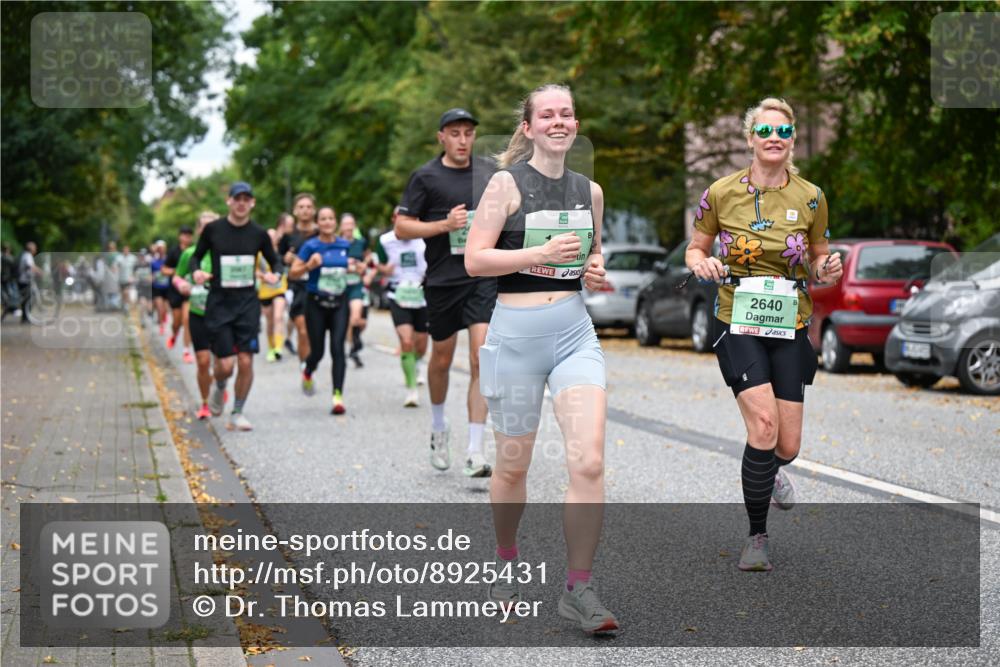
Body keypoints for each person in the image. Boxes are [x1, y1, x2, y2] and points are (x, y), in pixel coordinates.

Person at [465, 84, 617, 634]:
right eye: (547, 114)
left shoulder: (590, 191)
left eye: (567, 113)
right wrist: (536, 253)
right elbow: (475, 258)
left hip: (575, 333)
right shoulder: (506, 183)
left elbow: (589, 259)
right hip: (517, 339)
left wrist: (594, 273)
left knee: (589, 463)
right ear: (528, 128)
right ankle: (506, 562)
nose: (559, 121)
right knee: (512, 465)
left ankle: (579, 588)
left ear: (575, 124)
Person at [685, 97, 842, 572]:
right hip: (736, 318)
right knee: (764, 427)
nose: (775, 138)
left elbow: (819, 257)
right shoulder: (720, 192)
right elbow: (695, 249)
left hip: (789, 320)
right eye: (766, 131)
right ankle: (757, 537)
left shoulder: (811, 196)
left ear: (792, 139)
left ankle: (769, 472)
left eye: (785, 131)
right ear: (750, 138)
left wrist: (827, 268)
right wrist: (704, 263)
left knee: (787, 446)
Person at [395, 107, 496, 478]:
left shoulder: (489, 173)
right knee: (440, 359)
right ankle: (439, 427)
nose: (463, 140)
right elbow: (402, 227)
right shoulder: (425, 177)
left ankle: (475, 449)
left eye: (468, 133)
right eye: (454, 133)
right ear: (441, 137)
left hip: (481, 278)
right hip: (442, 280)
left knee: (481, 359)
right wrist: (444, 225)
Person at [190, 182, 281, 431]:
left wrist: (276, 275)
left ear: (252, 203)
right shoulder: (213, 230)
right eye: (237, 198)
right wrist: (196, 271)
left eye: (246, 199)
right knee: (224, 365)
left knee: (246, 361)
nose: (241, 203)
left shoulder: (259, 234)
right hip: (219, 303)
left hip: (247, 304)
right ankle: (220, 387)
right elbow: (196, 256)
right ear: (229, 201)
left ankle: (238, 411)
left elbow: (275, 261)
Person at [289, 206, 351, 414]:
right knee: (317, 351)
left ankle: (337, 397)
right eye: (323, 219)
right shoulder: (310, 246)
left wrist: (355, 268)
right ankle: (308, 370)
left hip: (340, 303)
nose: (327, 222)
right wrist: (308, 266)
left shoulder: (344, 244)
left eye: (330, 218)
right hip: (315, 303)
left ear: (335, 223)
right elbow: (293, 273)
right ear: (318, 223)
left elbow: (348, 267)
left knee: (338, 348)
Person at [377, 206, 430, 407]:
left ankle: (417, 364)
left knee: (422, 345)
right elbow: (378, 266)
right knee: (407, 341)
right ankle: (411, 390)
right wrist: (384, 269)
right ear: (394, 219)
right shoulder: (384, 241)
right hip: (397, 295)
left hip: (422, 295)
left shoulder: (424, 237)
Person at [172, 214, 221, 419]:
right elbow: (176, 276)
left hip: (222, 315)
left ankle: (221, 385)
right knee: (202, 361)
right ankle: (204, 403)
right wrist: (182, 284)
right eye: (205, 227)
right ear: (199, 231)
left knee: (222, 364)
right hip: (198, 313)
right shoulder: (190, 253)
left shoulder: (224, 252)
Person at [278, 194, 318, 367]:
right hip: (297, 287)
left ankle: (309, 363)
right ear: (295, 211)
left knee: (312, 332)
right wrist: (284, 259)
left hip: (319, 286)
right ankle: (305, 367)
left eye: (308, 207)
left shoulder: (321, 233)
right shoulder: (288, 236)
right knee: (303, 330)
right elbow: (276, 259)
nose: (305, 210)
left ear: (314, 210)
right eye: (301, 207)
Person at [259, 213, 291, 362]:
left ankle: (278, 348)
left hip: (279, 289)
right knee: (270, 321)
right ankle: (271, 348)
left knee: (279, 317)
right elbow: (254, 270)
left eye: (274, 236)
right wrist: (263, 276)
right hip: (265, 291)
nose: (272, 238)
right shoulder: (259, 254)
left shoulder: (281, 252)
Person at [339, 213, 369, 368]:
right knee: (344, 322)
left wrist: (363, 267)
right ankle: (351, 347)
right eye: (346, 224)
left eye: (351, 224)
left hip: (356, 285)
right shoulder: (337, 243)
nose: (349, 227)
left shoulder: (361, 242)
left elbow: (367, 260)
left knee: (356, 318)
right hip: (340, 286)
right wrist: (348, 265)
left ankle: (353, 347)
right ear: (341, 226)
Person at [162, 226, 195, 361]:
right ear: (179, 236)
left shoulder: (195, 250)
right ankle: (174, 335)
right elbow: (164, 269)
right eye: (184, 235)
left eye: (189, 235)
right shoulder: (173, 251)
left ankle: (186, 351)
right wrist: (175, 272)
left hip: (189, 290)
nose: (186, 238)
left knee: (187, 320)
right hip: (175, 290)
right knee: (177, 322)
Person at [17, 241, 41, 323]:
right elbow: (30, 266)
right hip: (25, 281)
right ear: (31, 248)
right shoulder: (28, 255)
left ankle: (26, 317)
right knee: (28, 300)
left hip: (24, 280)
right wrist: (39, 271)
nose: (36, 250)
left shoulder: (25, 255)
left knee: (27, 300)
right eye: (34, 248)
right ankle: (25, 318)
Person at [150, 241, 170, 334]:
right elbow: (150, 274)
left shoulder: (168, 259)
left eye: (163, 248)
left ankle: (163, 318)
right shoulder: (153, 261)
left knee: (165, 310)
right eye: (159, 248)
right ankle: (161, 326)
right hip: (157, 287)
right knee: (160, 308)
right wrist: (151, 278)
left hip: (167, 288)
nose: (161, 250)